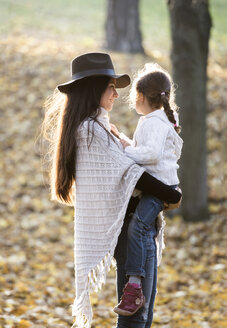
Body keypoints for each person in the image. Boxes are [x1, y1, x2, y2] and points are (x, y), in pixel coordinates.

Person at [41, 53, 182, 328]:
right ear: (94, 88)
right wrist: (171, 195)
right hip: (131, 231)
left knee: (144, 314)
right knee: (136, 318)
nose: (117, 94)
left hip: (138, 227)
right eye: (111, 87)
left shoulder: (98, 126)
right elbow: (129, 173)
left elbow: (129, 165)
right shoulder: (90, 130)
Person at [112, 63, 183, 323]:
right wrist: (128, 142)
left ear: (141, 97)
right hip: (160, 184)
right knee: (141, 228)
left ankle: (133, 285)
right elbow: (150, 152)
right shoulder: (158, 120)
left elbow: (149, 155)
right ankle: (135, 285)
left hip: (158, 189)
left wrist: (125, 151)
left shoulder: (152, 121)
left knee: (138, 228)